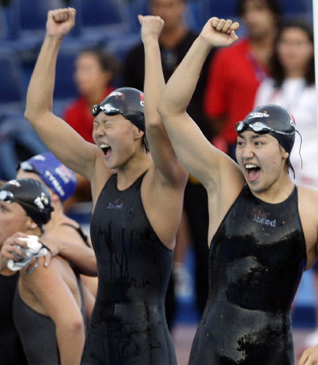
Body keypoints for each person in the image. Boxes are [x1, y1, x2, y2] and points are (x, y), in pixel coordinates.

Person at [158, 17, 318, 364]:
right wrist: (202, 42)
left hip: (274, 354)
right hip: (211, 353)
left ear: (283, 150)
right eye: (242, 142)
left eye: (258, 143)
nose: (246, 152)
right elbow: (170, 111)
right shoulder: (224, 182)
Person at [24, 8, 187, 365]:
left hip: (146, 344)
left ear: (137, 129)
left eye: (109, 123)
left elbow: (161, 121)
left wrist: (151, 43)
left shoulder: (165, 178)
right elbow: (37, 114)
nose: (98, 132)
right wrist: (52, 39)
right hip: (100, 338)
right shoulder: (100, 170)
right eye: (95, 124)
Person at [123, 0, 214, 321]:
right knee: (157, 243)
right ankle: (160, 323)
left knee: (207, 243)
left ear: (185, 6)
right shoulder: (136, 56)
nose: (166, 10)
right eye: (159, 4)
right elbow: (132, 109)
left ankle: (208, 320)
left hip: (198, 158)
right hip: (157, 161)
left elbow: (215, 105)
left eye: (172, 3)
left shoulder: (205, 49)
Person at [0, 178, 88, 365]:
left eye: (0, 208)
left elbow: (87, 316)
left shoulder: (43, 262)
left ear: (29, 219)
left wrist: (61, 245)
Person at [254, 17, 318, 349]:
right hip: (277, 187)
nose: (291, 50)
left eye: (299, 43)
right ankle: (277, 326)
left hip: (317, 185)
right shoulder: (269, 88)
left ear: (312, 48)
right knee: (276, 257)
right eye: (286, 42)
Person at [204, 0, 281, 159]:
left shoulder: (292, 52)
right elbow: (215, 110)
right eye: (246, 11)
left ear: (274, 14)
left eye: (259, 9)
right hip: (241, 146)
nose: (251, 17)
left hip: (288, 143)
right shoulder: (227, 57)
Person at [16, 151, 98, 300]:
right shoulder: (66, 229)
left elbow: (94, 295)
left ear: (53, 193)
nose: (16, 196)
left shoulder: (58, 238)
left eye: (26, 188)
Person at [62, 48, 119, 209]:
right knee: (56, 199)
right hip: (85, 180)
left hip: (119, 175)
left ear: (105, 75)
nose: (79, 76)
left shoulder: (120, 105)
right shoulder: (72, 112)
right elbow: (71, 157)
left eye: (86, 69)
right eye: (77, 69)